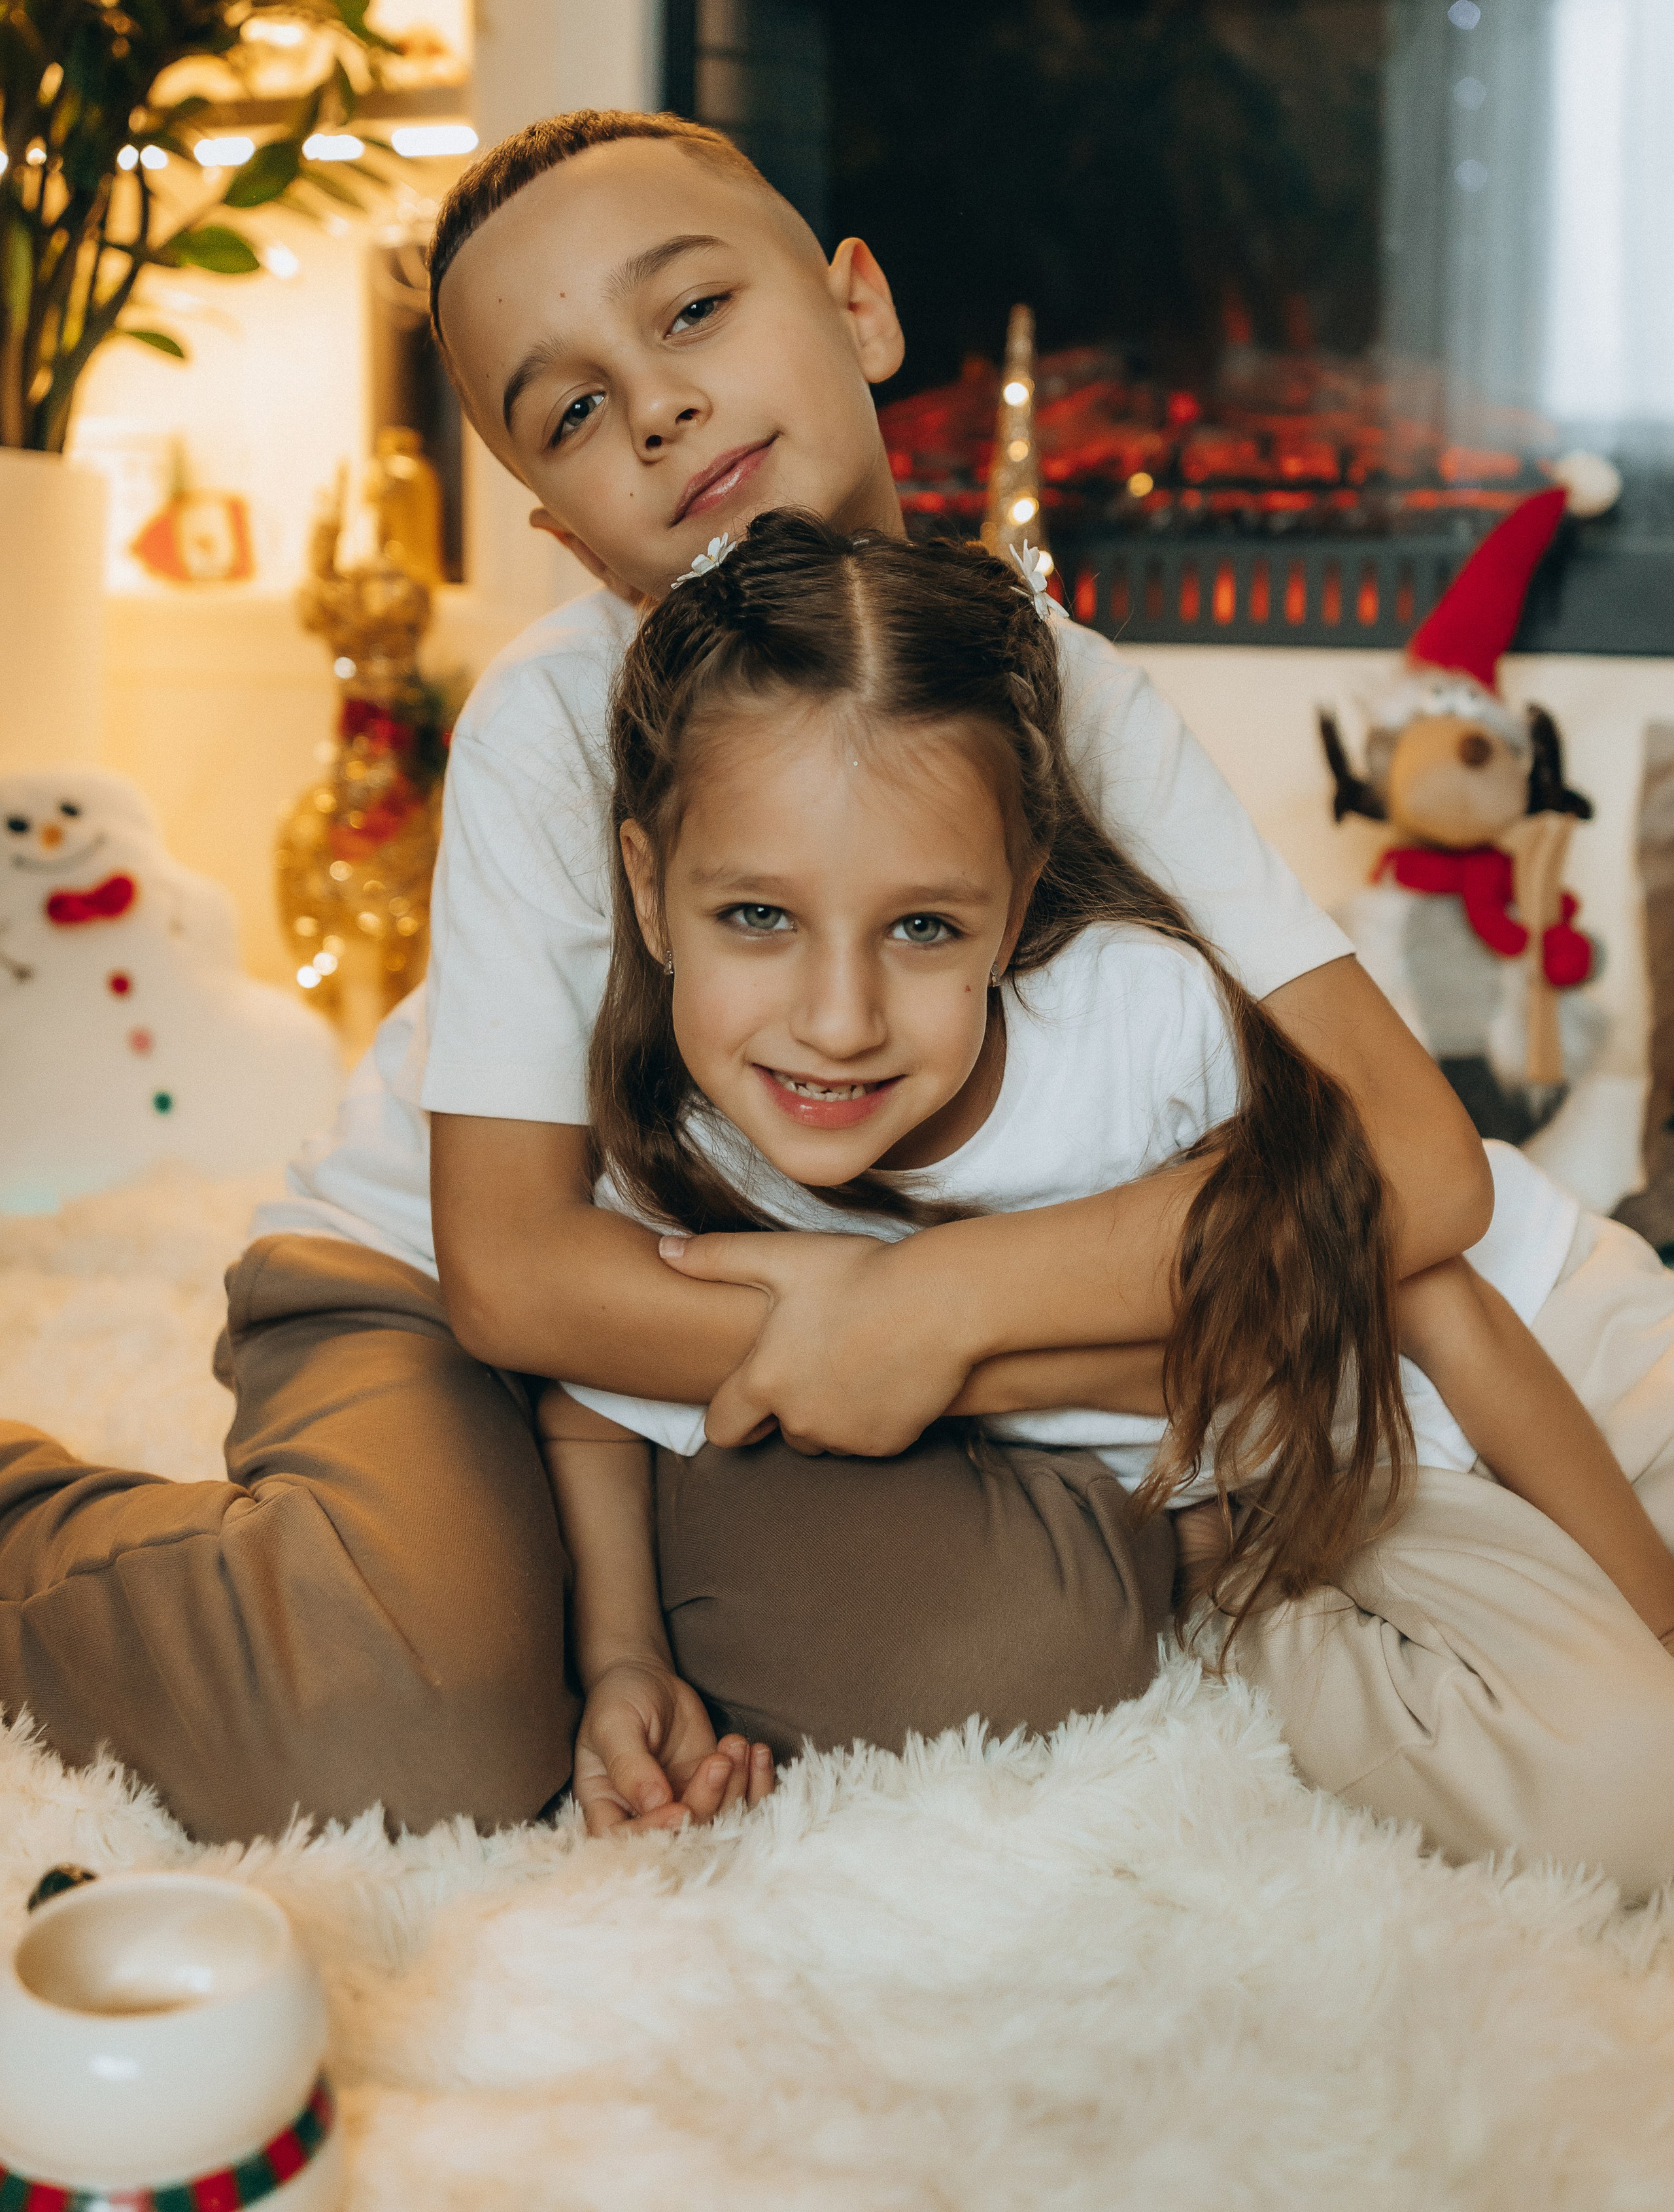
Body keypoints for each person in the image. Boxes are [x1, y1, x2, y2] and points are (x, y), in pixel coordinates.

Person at [0, 112, 1491, 1846]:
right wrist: (932, 1331)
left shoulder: (1068, 695)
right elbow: (516, 1275)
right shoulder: (554, 719)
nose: (654, 407)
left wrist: (942, 1311)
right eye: (570, 411)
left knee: (1043, 1635)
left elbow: (1419, 1165)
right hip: (431, 1294)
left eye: (693, 311)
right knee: (412, 1724)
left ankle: (564, 1565)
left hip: (736, 1355)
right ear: (565, 533)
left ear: (861, 308)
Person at [547, 509, 1674, 1892]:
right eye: (759, 918)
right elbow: (595, 1399)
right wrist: (622, 1658)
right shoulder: (687, 1150)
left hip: (1511, 1354)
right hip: (1307, 1503)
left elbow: (1436, 1302)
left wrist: (1652, 1611)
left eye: (922, 927)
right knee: (1630, 1785)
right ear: (649, 890)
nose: (837, 1021)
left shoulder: (1138, 1026)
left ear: (1015, 904)